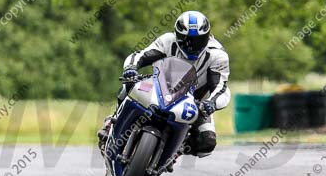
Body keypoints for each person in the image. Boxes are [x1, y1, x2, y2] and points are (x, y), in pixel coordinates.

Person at [98, 10, 231, 158]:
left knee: (207, 143)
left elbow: (221, 87)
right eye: (186, 40)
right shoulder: (168, 41)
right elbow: (141, 55)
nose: (192, 46)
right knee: (129, 85)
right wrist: (131, 68)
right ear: (177, 34)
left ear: (208, 36)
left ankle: (173, 152)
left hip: (196, 103)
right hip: (160, 89)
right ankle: (113, 121)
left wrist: (211, 103)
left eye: (198, 40)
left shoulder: (217, 56)